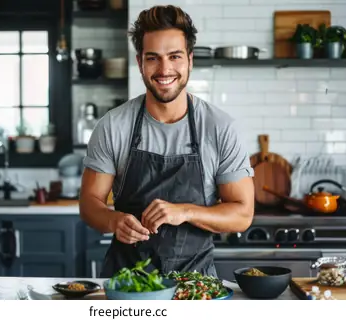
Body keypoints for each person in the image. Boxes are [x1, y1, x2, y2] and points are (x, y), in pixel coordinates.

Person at [79, 5, 255, 278]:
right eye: (153, 58)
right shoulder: (113, 126)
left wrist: (185, 211)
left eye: (174, 56)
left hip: (197, 286)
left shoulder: (220, 128)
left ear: (190, 60)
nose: (164, 69)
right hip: (127, 283)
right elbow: (90, 203)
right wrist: (115, 221)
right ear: (140, 63)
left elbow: (242, 215)